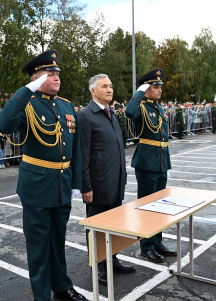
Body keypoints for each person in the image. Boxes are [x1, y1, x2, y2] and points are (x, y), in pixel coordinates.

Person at [0, 50, 87, 301]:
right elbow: (3, 125)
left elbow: (76, 148)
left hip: (62, 184)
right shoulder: (26, 103)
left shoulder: (66, 105)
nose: (57, 78)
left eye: (57, 73)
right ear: (36, 78)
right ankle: (41, 295)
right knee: (38, 246)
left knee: (58, 241)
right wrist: (27, 90)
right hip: (36, 186)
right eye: (50, 74)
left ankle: (61, 286)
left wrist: (76, 183)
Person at [77, 74, 135, 285]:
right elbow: (83, 153)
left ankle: (112, 259)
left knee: (114, 224)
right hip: (98, 183)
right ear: (93, 91)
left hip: (115, 180)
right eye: (104, 86)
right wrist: (86, 186)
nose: (110, 90)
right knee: (96, 225)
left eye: (111, 86)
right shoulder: (86, 115)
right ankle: (98, 265)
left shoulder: (111, 113)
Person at [125, 68, 176, 264]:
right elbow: (130, 112)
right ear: (146, 89)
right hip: (147, 161)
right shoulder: (141, 107)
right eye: (155, 87)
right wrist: (139, 91)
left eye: (159, 86)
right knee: (147, 206)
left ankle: (157, 241)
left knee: (159, 206)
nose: (159, 90)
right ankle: (146, 246)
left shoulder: (158, 108)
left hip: (162, 159)